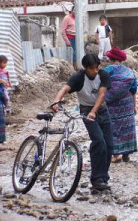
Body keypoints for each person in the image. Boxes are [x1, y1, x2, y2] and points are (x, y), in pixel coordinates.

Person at [51, 54, 112, 191]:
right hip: (86, 110)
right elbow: (65, 89)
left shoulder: (103, 75)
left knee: (109, 145)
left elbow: (101, 95)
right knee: (99, 141)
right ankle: (97, 179)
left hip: (101, 110)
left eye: (97, 67)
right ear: (85, 68)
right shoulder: (79, 77)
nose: (95, 71)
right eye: (92, 68)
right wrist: (56, 100)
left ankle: (103, 177)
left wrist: (94, 111)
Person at [103, 47, 138, 163]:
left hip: (113, 105)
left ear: (110, 58)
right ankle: (126, 154)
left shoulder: (108, 70)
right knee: (127, 126)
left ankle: (116, 154)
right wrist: (134, 106)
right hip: (127, 102)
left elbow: (101, 85)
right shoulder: (129, 71)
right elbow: (133, 89)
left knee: (113, 127)